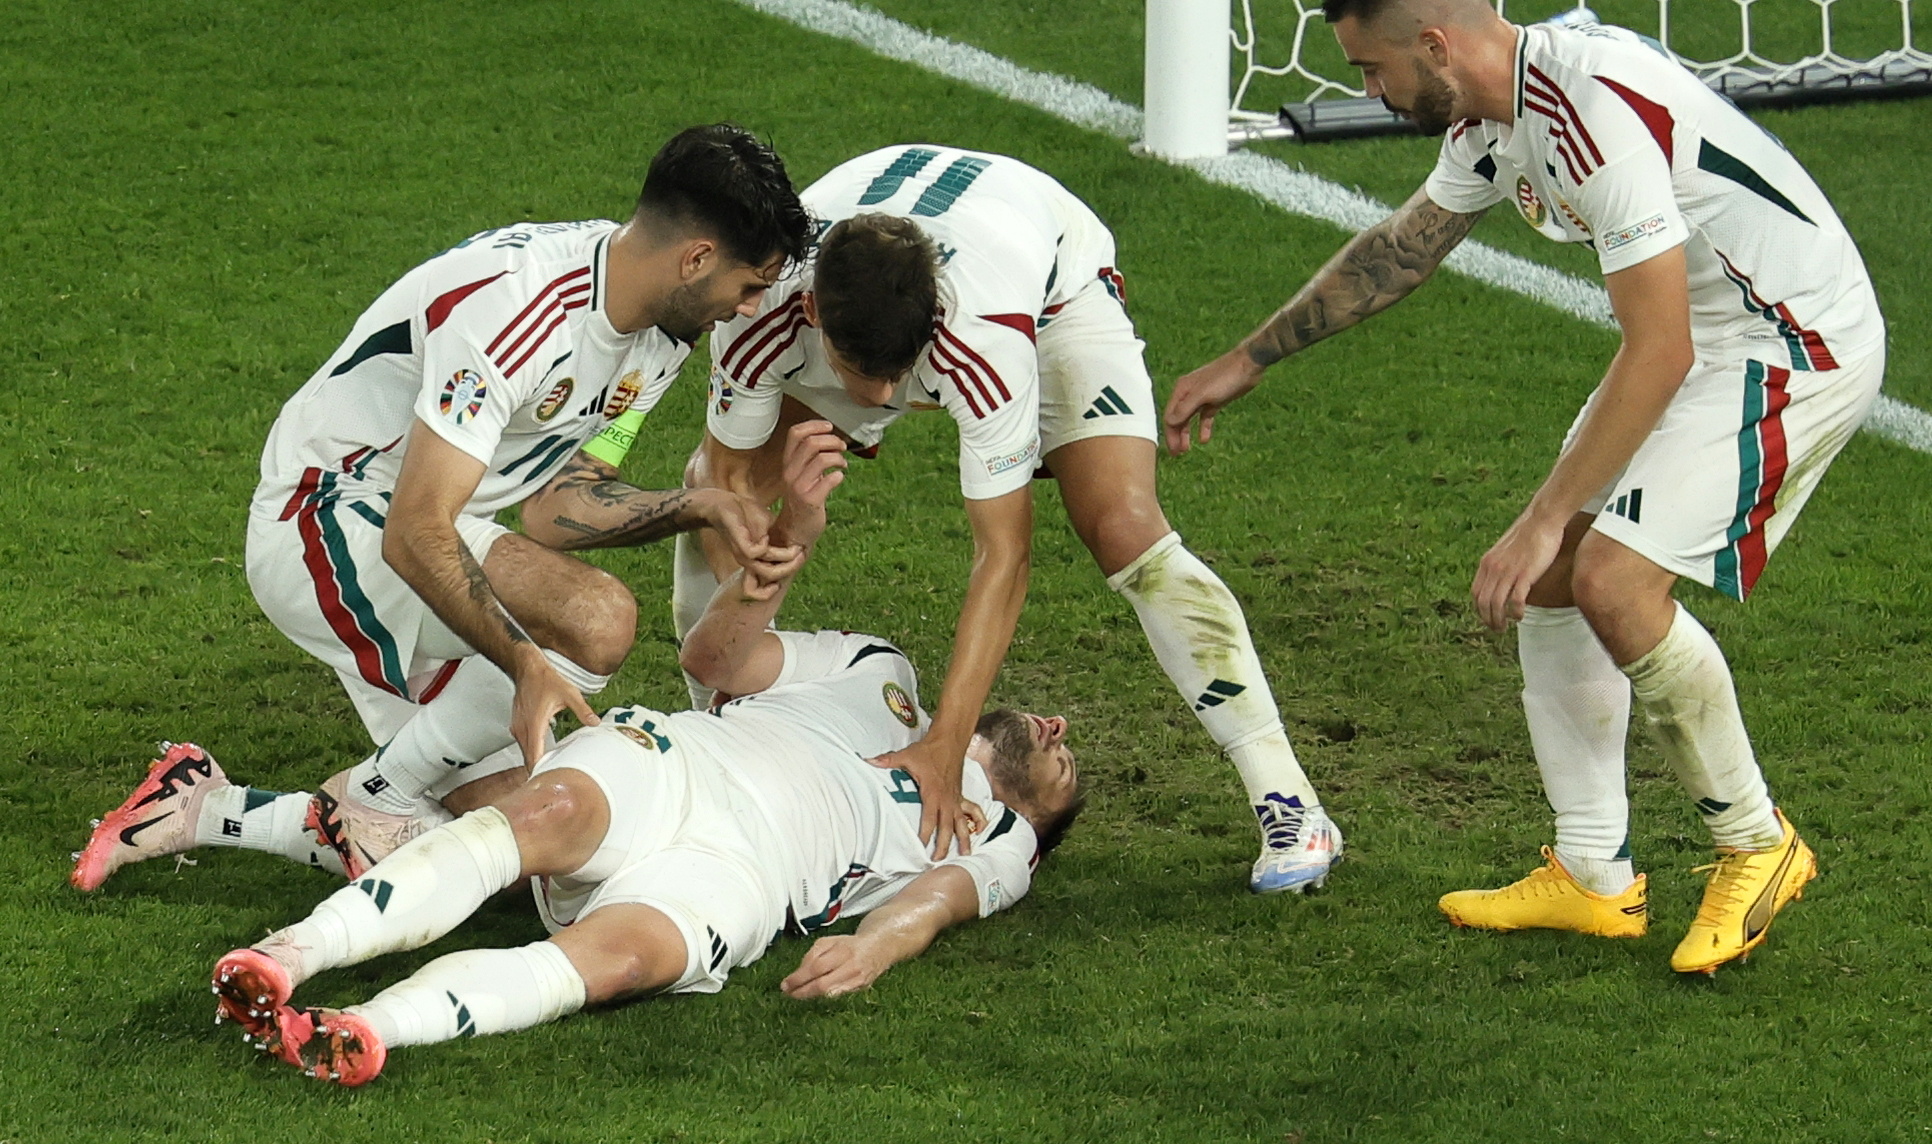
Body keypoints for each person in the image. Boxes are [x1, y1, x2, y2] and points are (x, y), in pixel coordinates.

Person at [1163, 0, 1885, 973]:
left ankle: (1758, 841)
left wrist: (1545, 513)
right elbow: (1402, 248)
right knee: (1558, 577)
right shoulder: (1499, 113)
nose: (1370, 89)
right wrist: (1252, 357)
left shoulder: (1587, 114)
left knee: (1612, 579)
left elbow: (1663, 345)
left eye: (1374, 68)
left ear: (1438, 44)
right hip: (1713, 331)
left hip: (1791, 343)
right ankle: (1594, 874)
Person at [205, 421, 1083, 1086]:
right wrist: (794, 535)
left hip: (747, 878)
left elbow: (934, 902)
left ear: (1040, 818)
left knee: (623, 962)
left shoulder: (1000, 837)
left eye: (1066, 768)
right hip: (683, 766)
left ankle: (366, 1028)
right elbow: (713, 662)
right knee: (540, 813)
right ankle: (291, 955)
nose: (1058, 733)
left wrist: (876, 949)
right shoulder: (876, 670)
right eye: (1060, 733)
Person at [70, 124, 813, 890]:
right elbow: (414, 529)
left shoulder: (662, 334)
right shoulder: (516, 304)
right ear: (696, 259)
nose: (748, 308)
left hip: (439, 533)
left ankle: (209, 806)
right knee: (599, 619)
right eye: (750, 284)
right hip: (327, 516)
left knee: (542, 851)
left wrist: (699, 504)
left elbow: (556, 506)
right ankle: (376, 793)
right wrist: (526, 662)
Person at [677, 145, 1338, 895]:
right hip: (878, 288)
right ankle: (718, 724)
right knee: (715, 487)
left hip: (1052, 294)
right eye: (868, 375)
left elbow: (1004, 558)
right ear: (813, 313)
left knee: (1122, 523)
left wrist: (943, 747)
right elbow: (725, 485)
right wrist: (736, 646)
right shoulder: (761, 309)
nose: (887, 395)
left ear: (933, 323)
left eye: (902, 375)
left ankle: (1290, 805)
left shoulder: (980, 338)